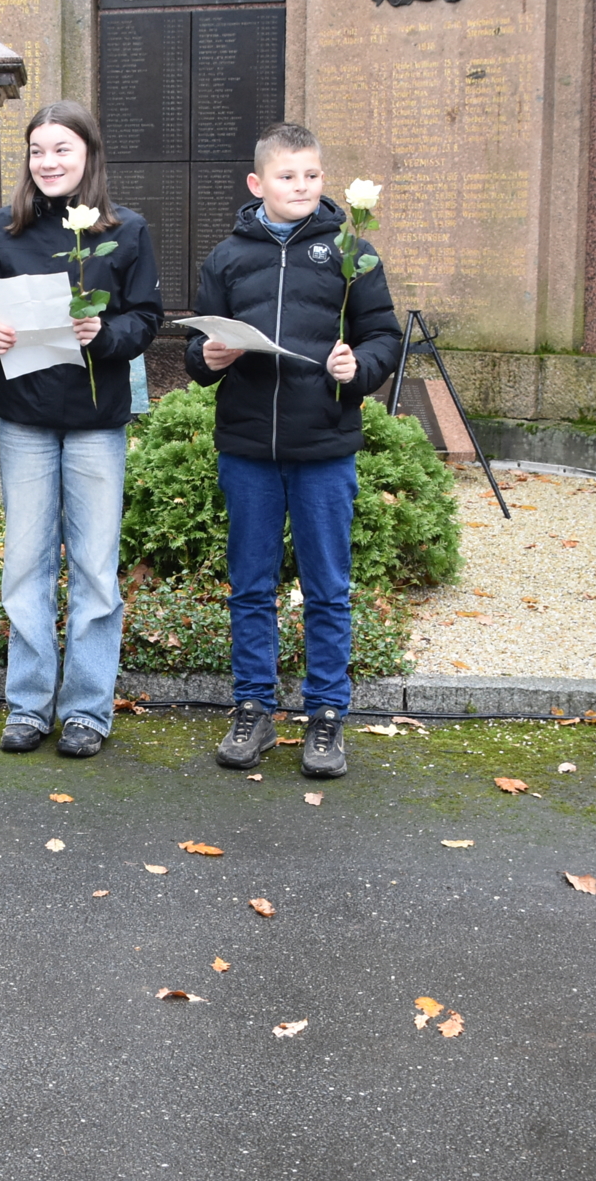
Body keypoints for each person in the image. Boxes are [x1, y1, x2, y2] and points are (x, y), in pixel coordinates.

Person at [185, 121, 401, 779]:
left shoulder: (352, 254)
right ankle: (253, 708)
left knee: (328, 589)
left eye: (310, 175)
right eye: (287, 176)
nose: (300, 186)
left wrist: (355, 368)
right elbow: (195, 357)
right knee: (251, 587)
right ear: (258, 184)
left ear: (324, 180)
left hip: (324, 448)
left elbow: (384, 338)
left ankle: (328, 714)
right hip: (248, 448)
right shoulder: (226, 258)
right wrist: (210, 355)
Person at [0, 101, 162, 759]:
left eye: (62, 150)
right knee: (24, 566)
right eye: (37, 151)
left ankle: (85, 710)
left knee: (94, 570)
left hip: (94, 423)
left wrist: (104, 335)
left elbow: (147, 318)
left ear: (89, 156)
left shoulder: (125, 231)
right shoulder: (6, 227)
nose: (48, 162)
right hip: (24, 416)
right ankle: (27, 705)